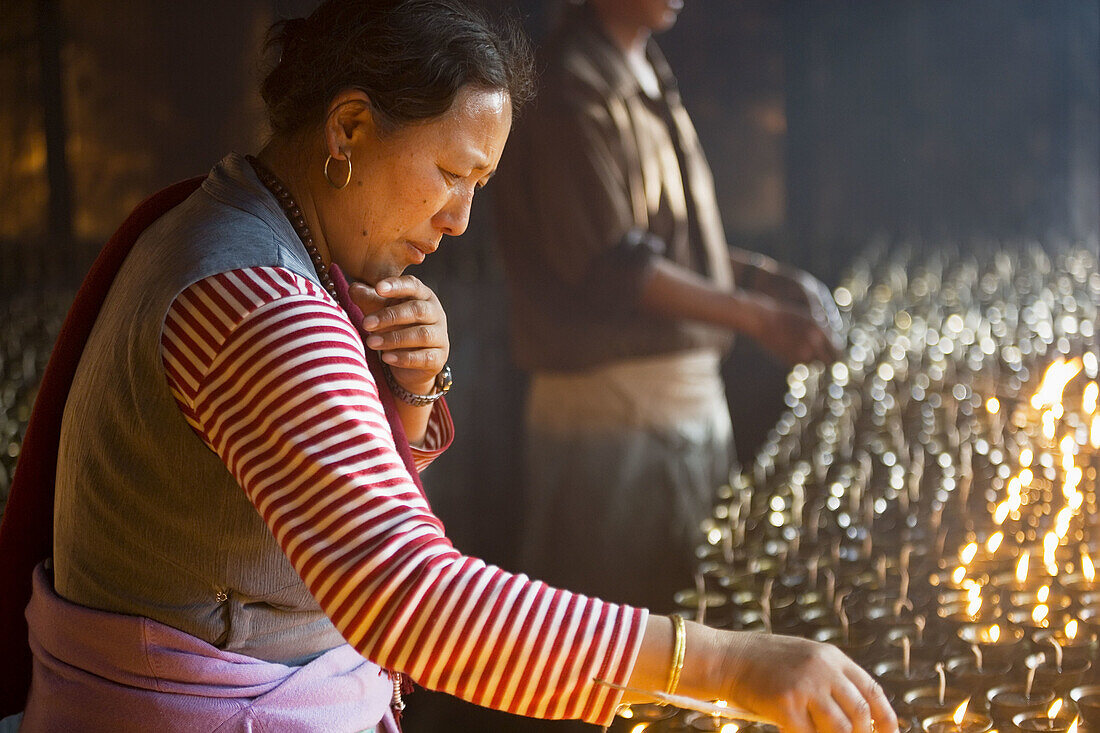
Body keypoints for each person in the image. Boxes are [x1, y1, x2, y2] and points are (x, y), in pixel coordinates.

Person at [0, 1, 893, 732]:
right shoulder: (262, 304)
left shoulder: (235, 230)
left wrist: (403, 396)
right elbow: (408, 596)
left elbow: (303, 514)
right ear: (350, 125)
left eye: (480, 187)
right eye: (452, 173)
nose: (461, 219)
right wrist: (729, 662)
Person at [494, 0, 843, 614]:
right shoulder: (570, 83)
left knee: (682, 605)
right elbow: (615, 268)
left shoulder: (644, 67)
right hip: (613, 408)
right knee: (615, 631)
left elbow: (673, 245)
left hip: (675, 402)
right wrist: (758, 317)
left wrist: (766, 279)